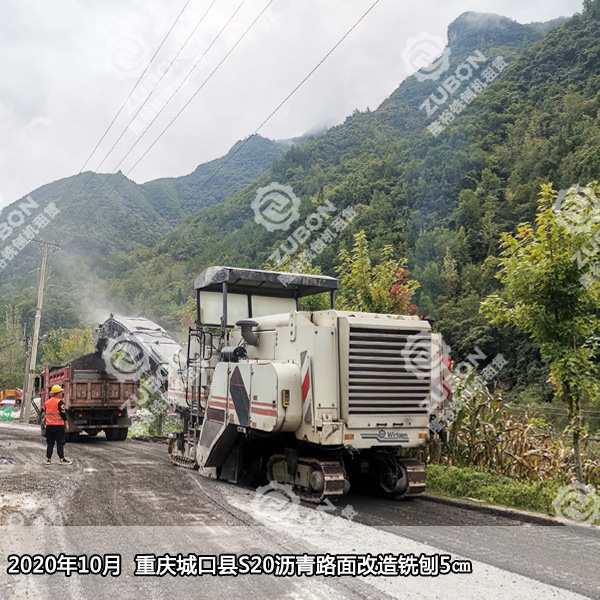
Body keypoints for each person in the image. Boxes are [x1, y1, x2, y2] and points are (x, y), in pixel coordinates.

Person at [44, 385, 72, 465]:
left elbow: (46, 414)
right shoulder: (60, 402)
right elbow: (63, 414)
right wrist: (66, 424)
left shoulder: (47, 402)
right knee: (60, 442)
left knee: (50, 443)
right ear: (58, 393)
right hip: (58, 426)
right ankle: (61, 459)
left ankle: (48, 459)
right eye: (60, 392)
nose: (61, 393)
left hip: (49, 426)